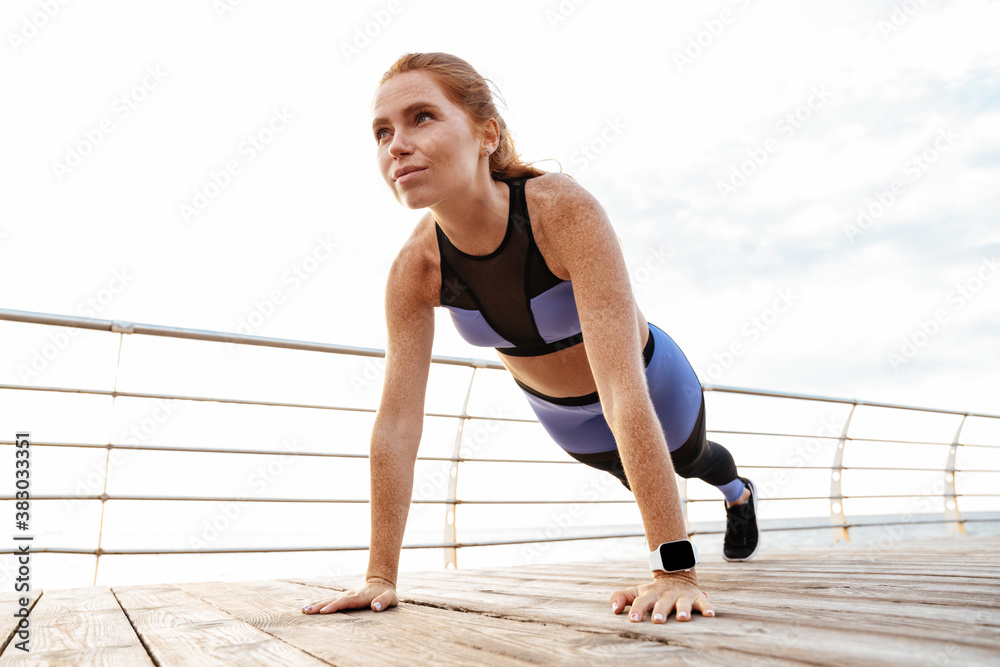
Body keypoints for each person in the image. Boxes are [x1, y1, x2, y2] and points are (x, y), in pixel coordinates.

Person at [303, 52, 758, 624]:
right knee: (630, 472)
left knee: (689, 457)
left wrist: (673, 573)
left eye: (422, 117)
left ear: (486, 134)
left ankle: (738, 493)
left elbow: (621, 388)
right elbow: (397, 425)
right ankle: (690, 512)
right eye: (382, 131)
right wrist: (378, 577)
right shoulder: (415, 271)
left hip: (648, 381)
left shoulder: (559, 210)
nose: (396, 144)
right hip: (565, 417)